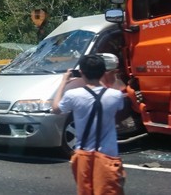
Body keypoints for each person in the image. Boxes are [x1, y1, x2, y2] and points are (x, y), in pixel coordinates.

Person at [53, 54, 125, 195]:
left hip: (83, 155)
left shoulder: (73, 95)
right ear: (104, 72)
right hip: (108, 156)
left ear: (81, 73)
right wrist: (109, 77)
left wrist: (63, 83)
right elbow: (118, 100)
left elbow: (56, 109)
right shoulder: (115, 95)